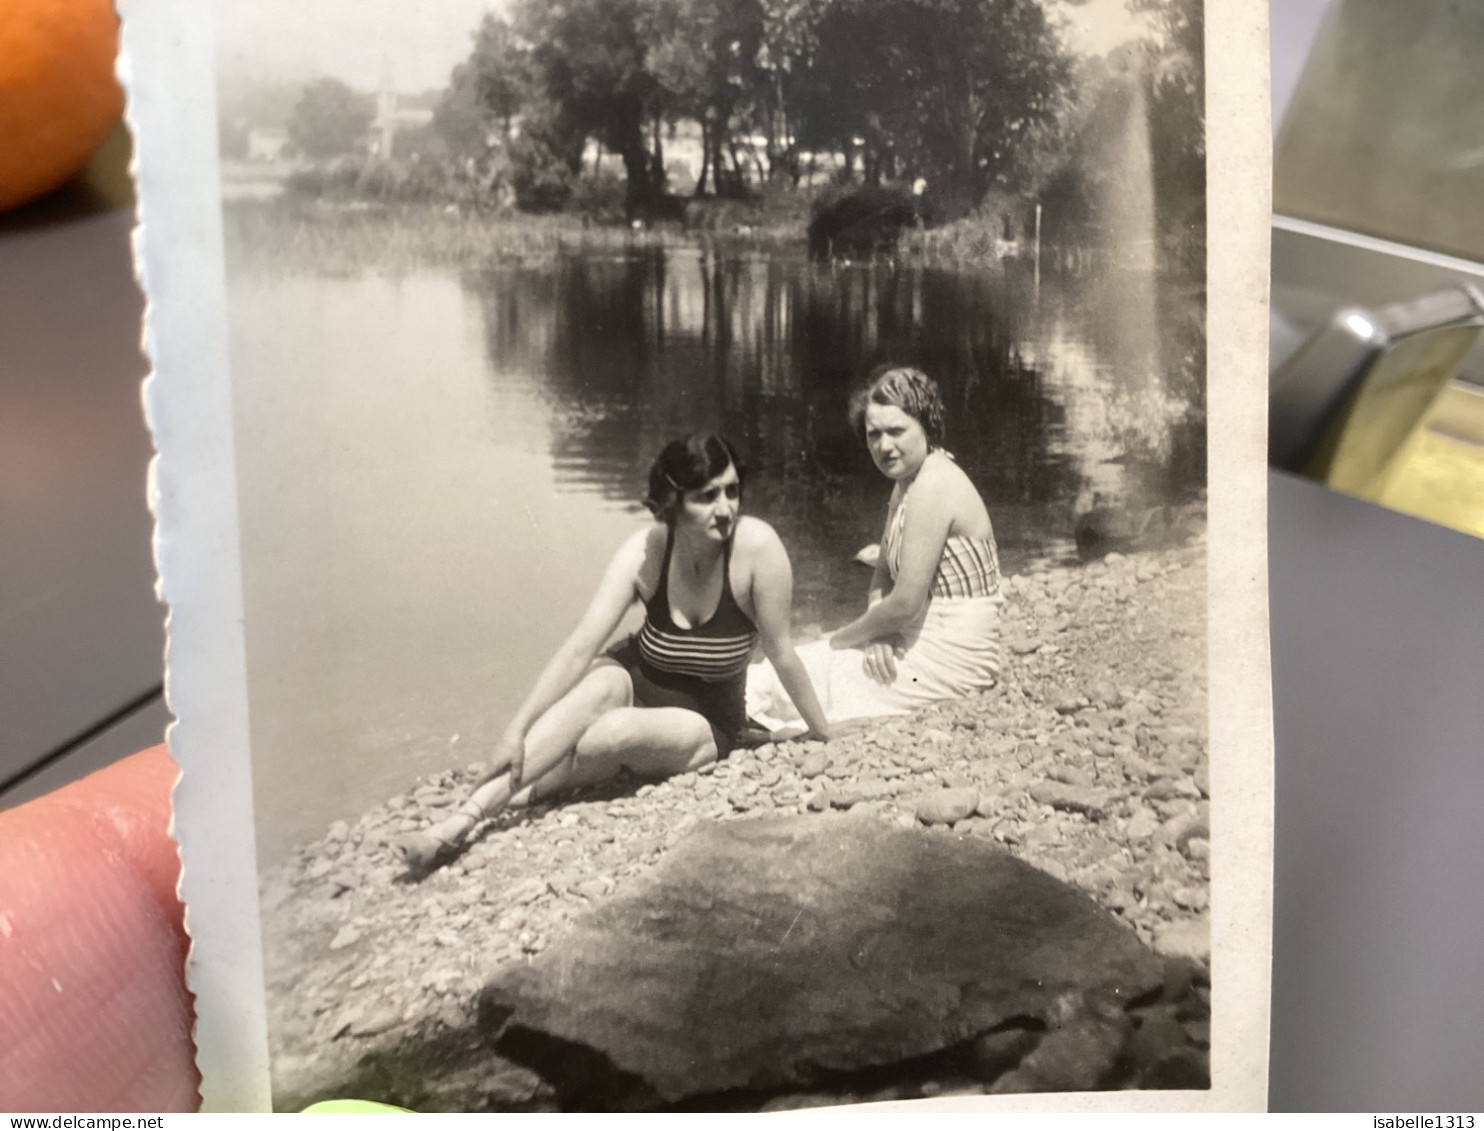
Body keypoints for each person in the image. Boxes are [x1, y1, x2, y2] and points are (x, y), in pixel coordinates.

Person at [396, 433, 830, 869]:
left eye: (732, 491)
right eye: (707, 496)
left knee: (609, 732)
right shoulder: (649, 550)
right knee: (597, 686)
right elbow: (580, 646)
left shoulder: (757, 548)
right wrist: (517, 728)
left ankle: (530, 785)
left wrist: (822, 731)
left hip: (707, 721)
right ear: (674, 502)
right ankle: (456, 825)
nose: (726, 508)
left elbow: (782, 652)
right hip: (637, 678)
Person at [748, 365, 1003, 728]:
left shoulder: (935, 484)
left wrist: (843, 638)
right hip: (915, 636)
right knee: (799, 671)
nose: (884, 446)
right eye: (874, 435)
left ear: (926, 427)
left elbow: (905, 603)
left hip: (954, 657)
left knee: (814, 673)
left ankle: (706, 725)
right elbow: (882, 575)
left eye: (897, 431)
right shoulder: (907, 483)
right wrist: (878, 633)